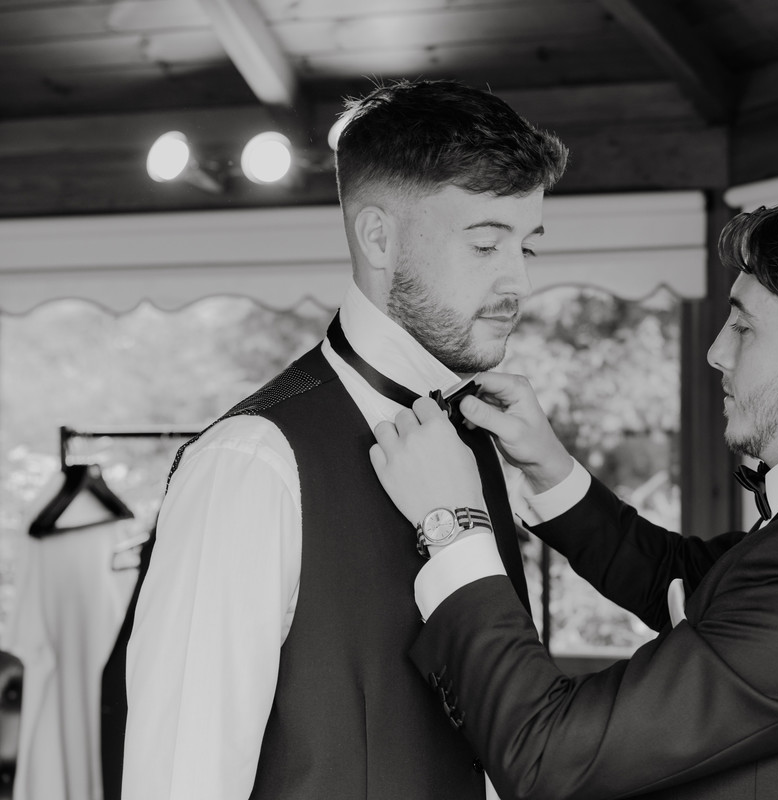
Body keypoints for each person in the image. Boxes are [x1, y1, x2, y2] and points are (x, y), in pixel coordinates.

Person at [369, 194, 778, 799]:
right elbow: (683, 579)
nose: (716, 352)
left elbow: (549, 754)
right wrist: (553, 471)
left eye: (743, 327)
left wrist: (453, 525)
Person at [120, 79, 568, 800]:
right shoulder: (252, 464)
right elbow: (181, 780)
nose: (516, 280)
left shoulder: (477, 441)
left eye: (528, 248)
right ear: (378, 237)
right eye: (486, 243)